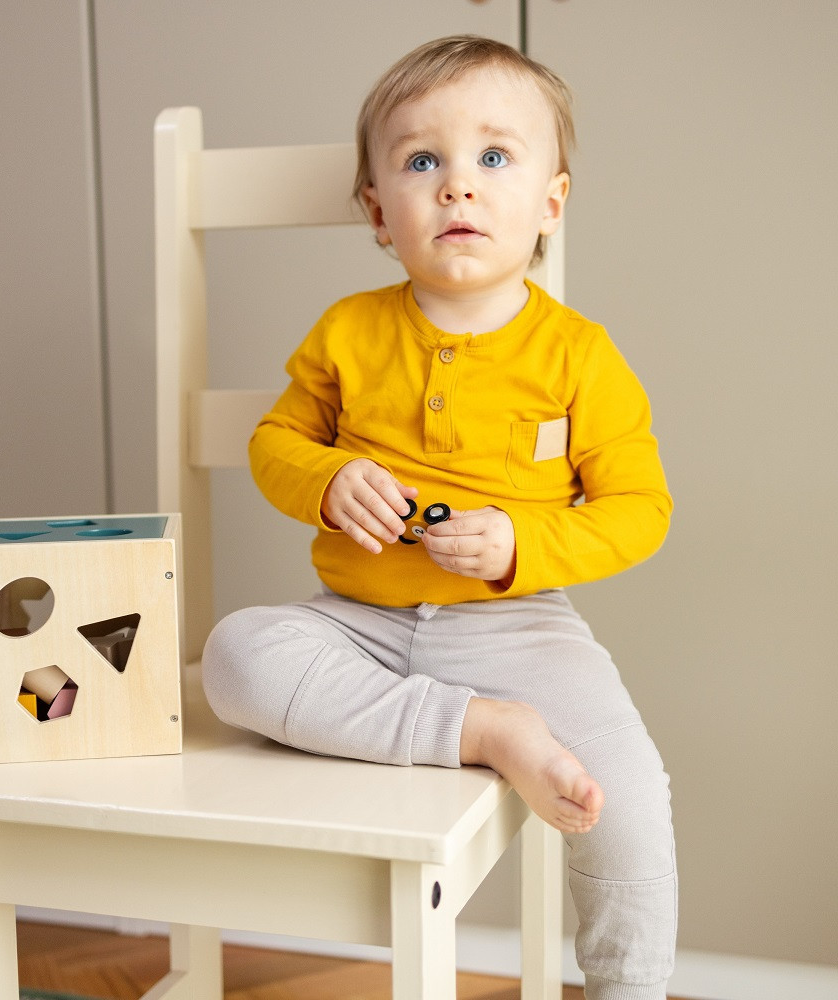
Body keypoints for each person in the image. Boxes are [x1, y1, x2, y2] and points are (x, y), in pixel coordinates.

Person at [202, 35, 676, 1000]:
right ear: (380, 212)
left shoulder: (580, 355)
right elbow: (274, 444)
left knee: (629, 789)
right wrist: (328, 478)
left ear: (550, 203)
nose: (458, 185)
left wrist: (522, 543)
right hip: (358, 624)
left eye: (494, 157)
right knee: (237, 655)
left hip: (520, 625)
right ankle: (483, 730)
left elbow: (640, 511)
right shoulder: (348, 330)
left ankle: (628, 987)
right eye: (423, 161)